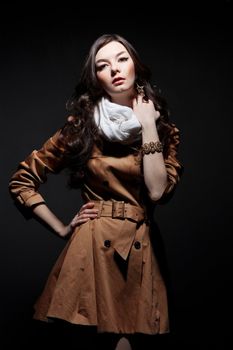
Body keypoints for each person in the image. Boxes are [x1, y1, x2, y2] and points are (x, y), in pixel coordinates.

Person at [9, 33, 183, 350]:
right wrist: (62, 228)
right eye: (103, 65)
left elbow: (157, 191)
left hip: (140, 246)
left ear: (136, 68)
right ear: (96, 79)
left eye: (122, 59)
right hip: (91, 246)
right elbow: (22, 180)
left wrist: (147, 126)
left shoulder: (162, 129)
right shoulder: (82, 127)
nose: (114, 69)